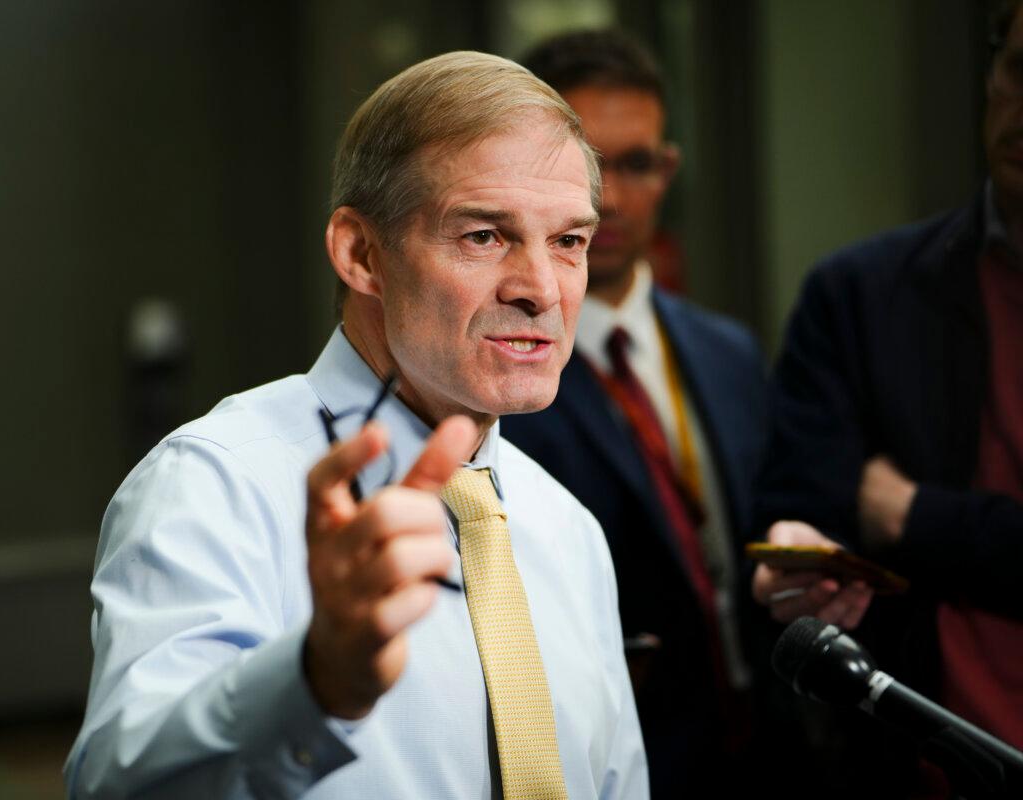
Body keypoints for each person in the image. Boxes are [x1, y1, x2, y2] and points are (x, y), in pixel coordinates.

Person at [65, 51, 648, 798]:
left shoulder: (566, 529)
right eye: (484, 236)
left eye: (568, 241)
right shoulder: (215, 483)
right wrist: (315, 683)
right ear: (360, 253)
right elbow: (119, 787)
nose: (541, 290)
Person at [752, 2, 1023, 794]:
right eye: (1017, 69)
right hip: (917, 760)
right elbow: (799, 515)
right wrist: (799, 571)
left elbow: (889, 515)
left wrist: (914, 514)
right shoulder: (863, 293)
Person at [500, 30, 767, 798]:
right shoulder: (492, 373)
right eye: (583, 164)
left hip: (765, 755)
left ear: (669, 171)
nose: (608, 197)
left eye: (636, 164)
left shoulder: (730, 354)